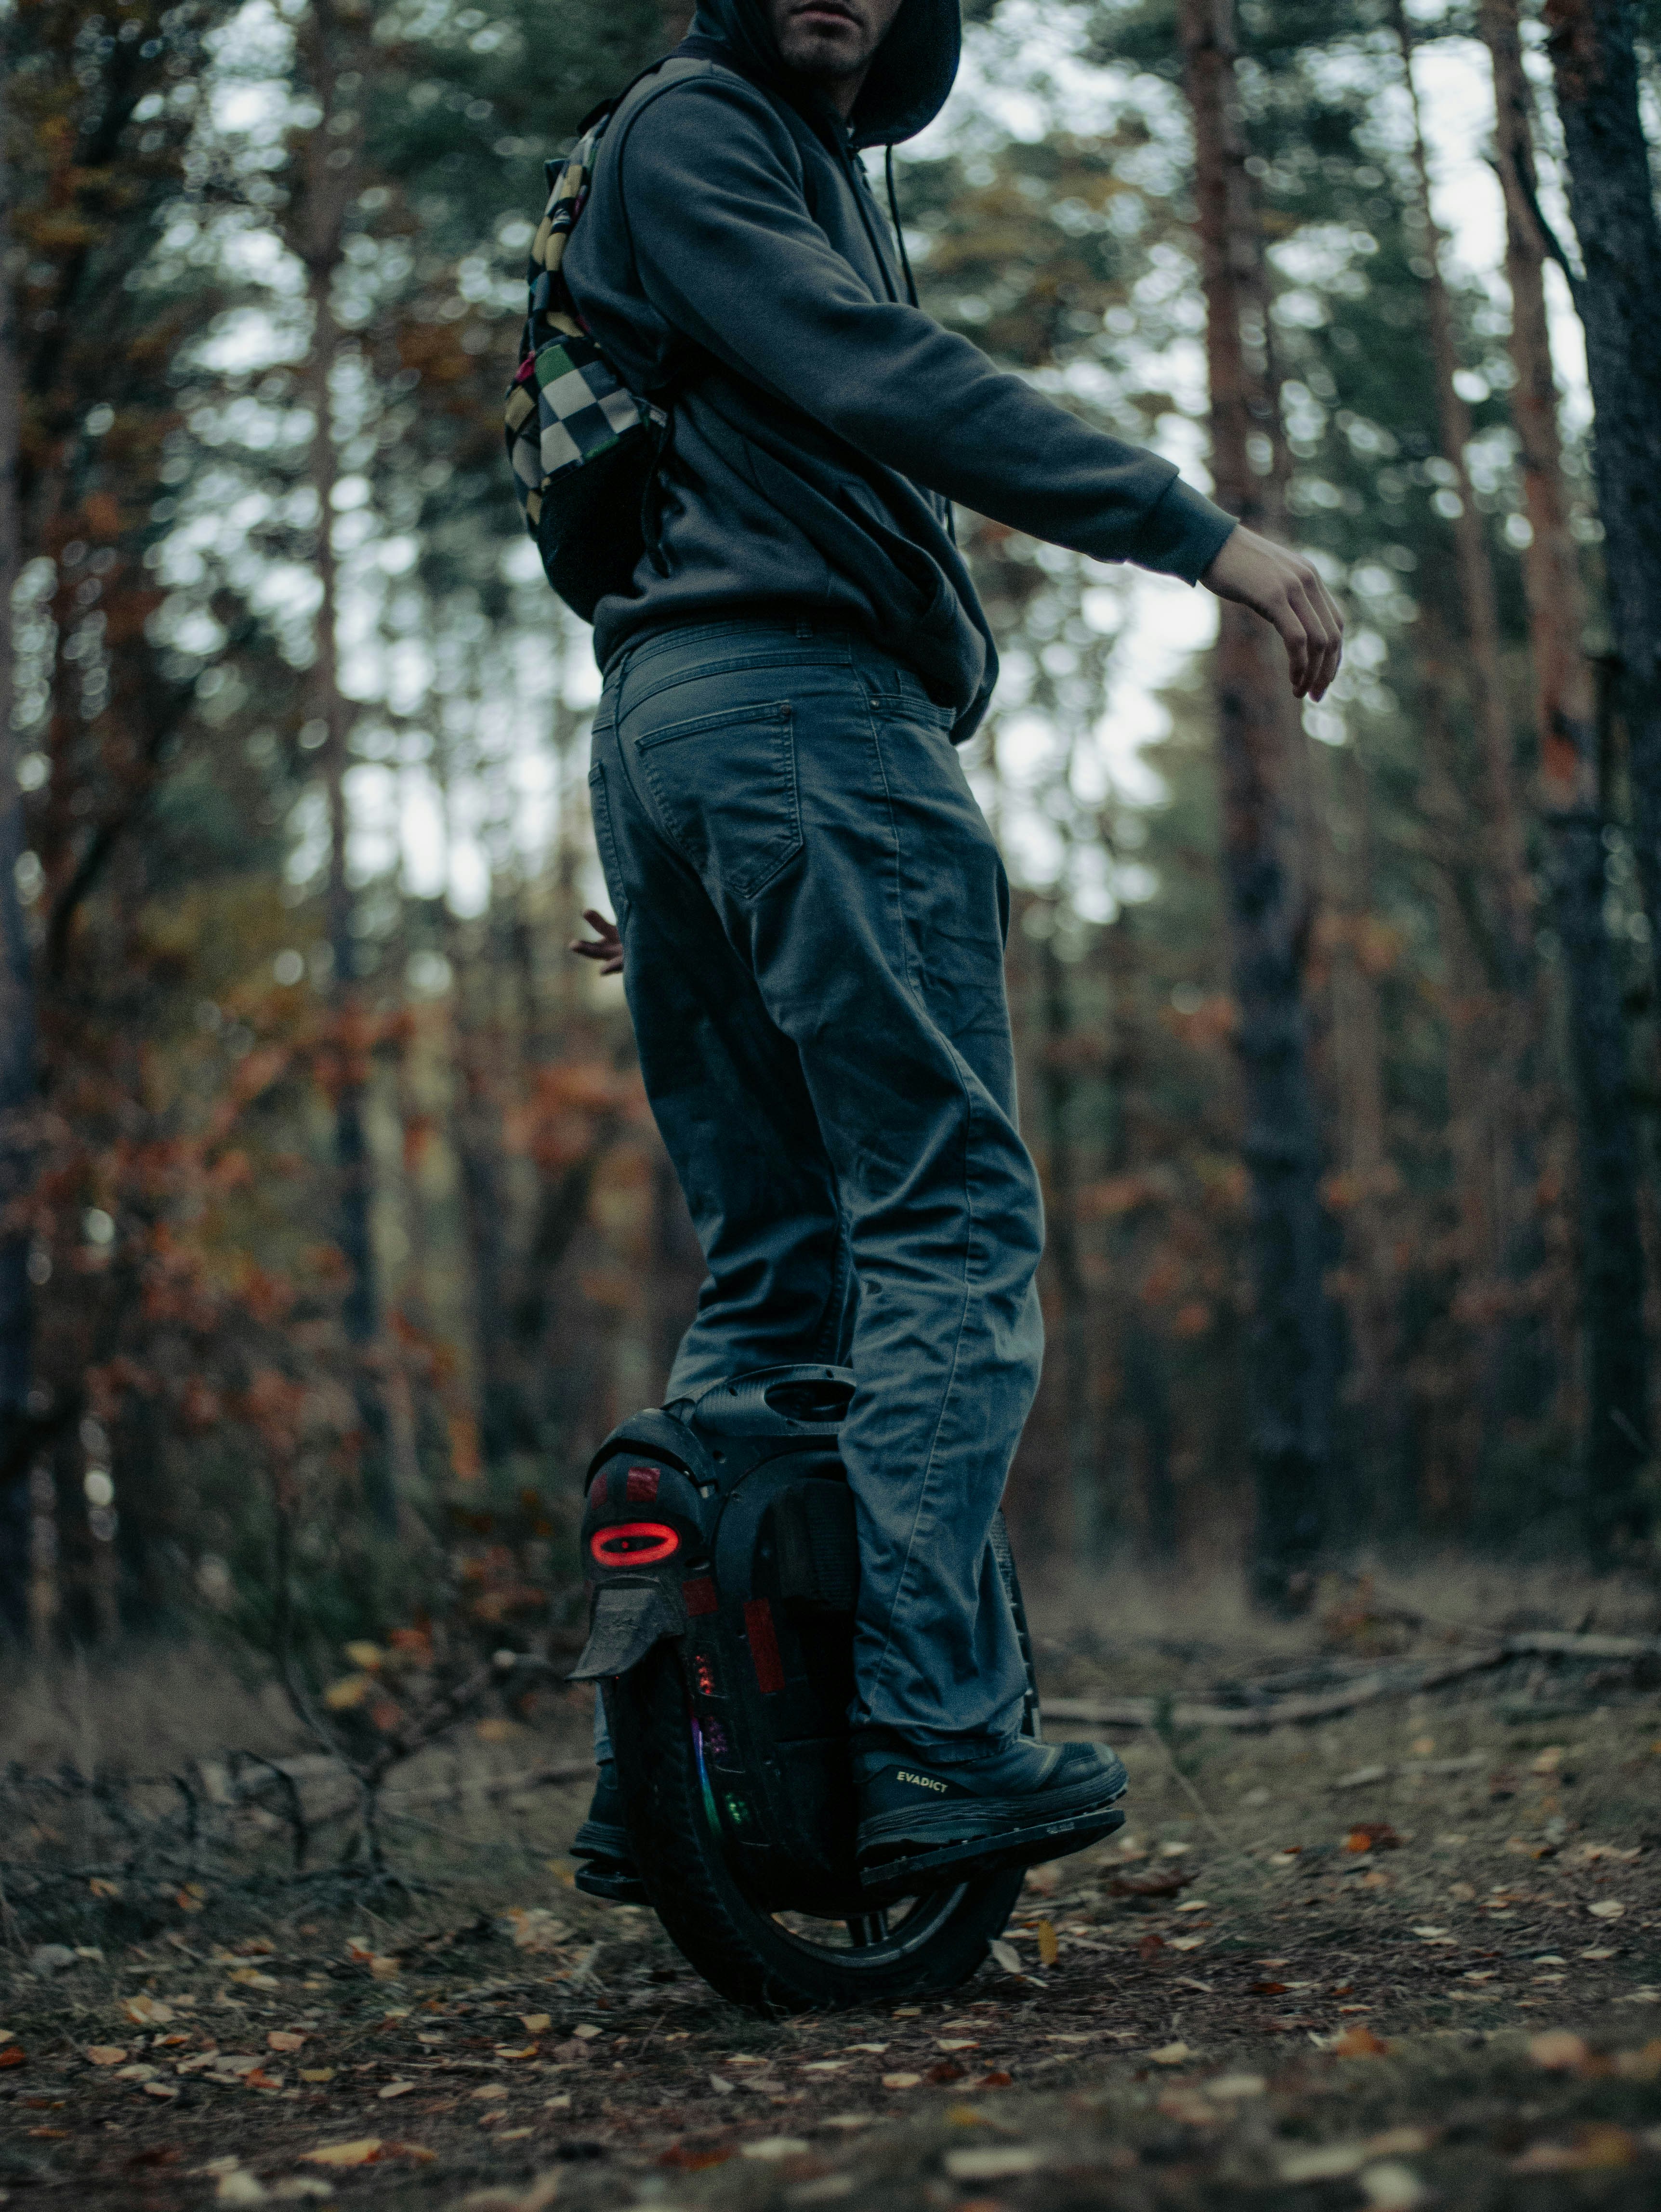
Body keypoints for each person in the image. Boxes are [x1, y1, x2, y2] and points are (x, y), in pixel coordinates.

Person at [560, 0, 1343, 1896]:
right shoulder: (700, 126)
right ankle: (928, 1730)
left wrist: (697, 847)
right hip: (792, 715)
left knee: (779, 1267)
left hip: (698, 737)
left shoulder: (749, 161)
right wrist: (1191, 531)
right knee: (946, 1226)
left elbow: (688, 468)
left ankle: (699, 1771)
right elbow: (876, 372)